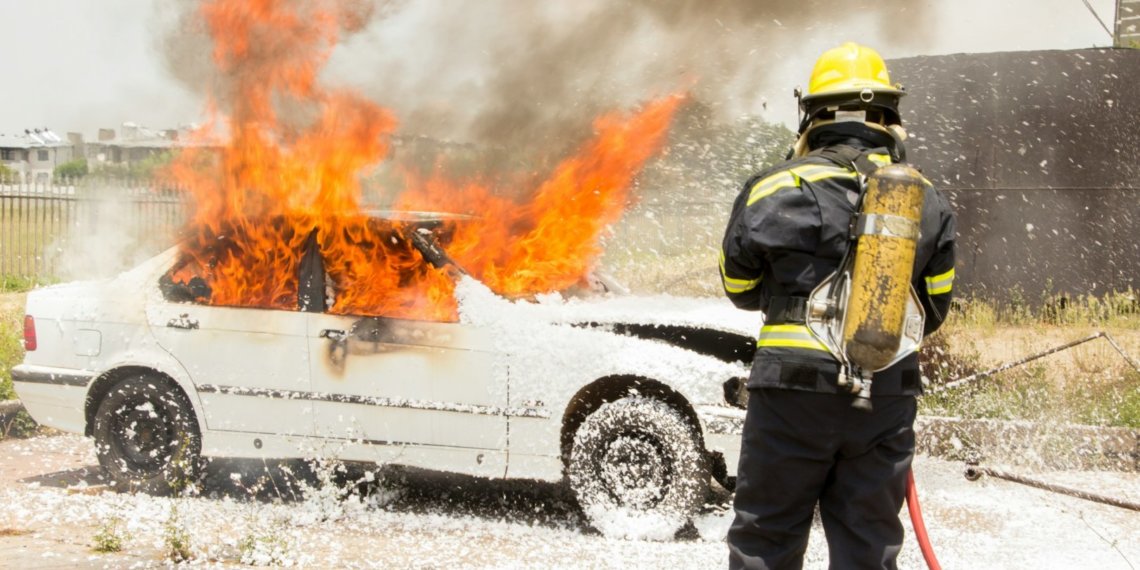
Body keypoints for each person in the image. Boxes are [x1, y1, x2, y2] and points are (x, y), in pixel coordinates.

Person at [721, 42, 956, 570]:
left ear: (812, 114)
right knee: (868, 546)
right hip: (885, 396)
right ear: (889, 116)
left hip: (791, 395)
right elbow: (933, 310)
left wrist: (790, 292)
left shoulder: (773, 187)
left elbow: (738, 286)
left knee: (767, 537)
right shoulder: (927, 198)